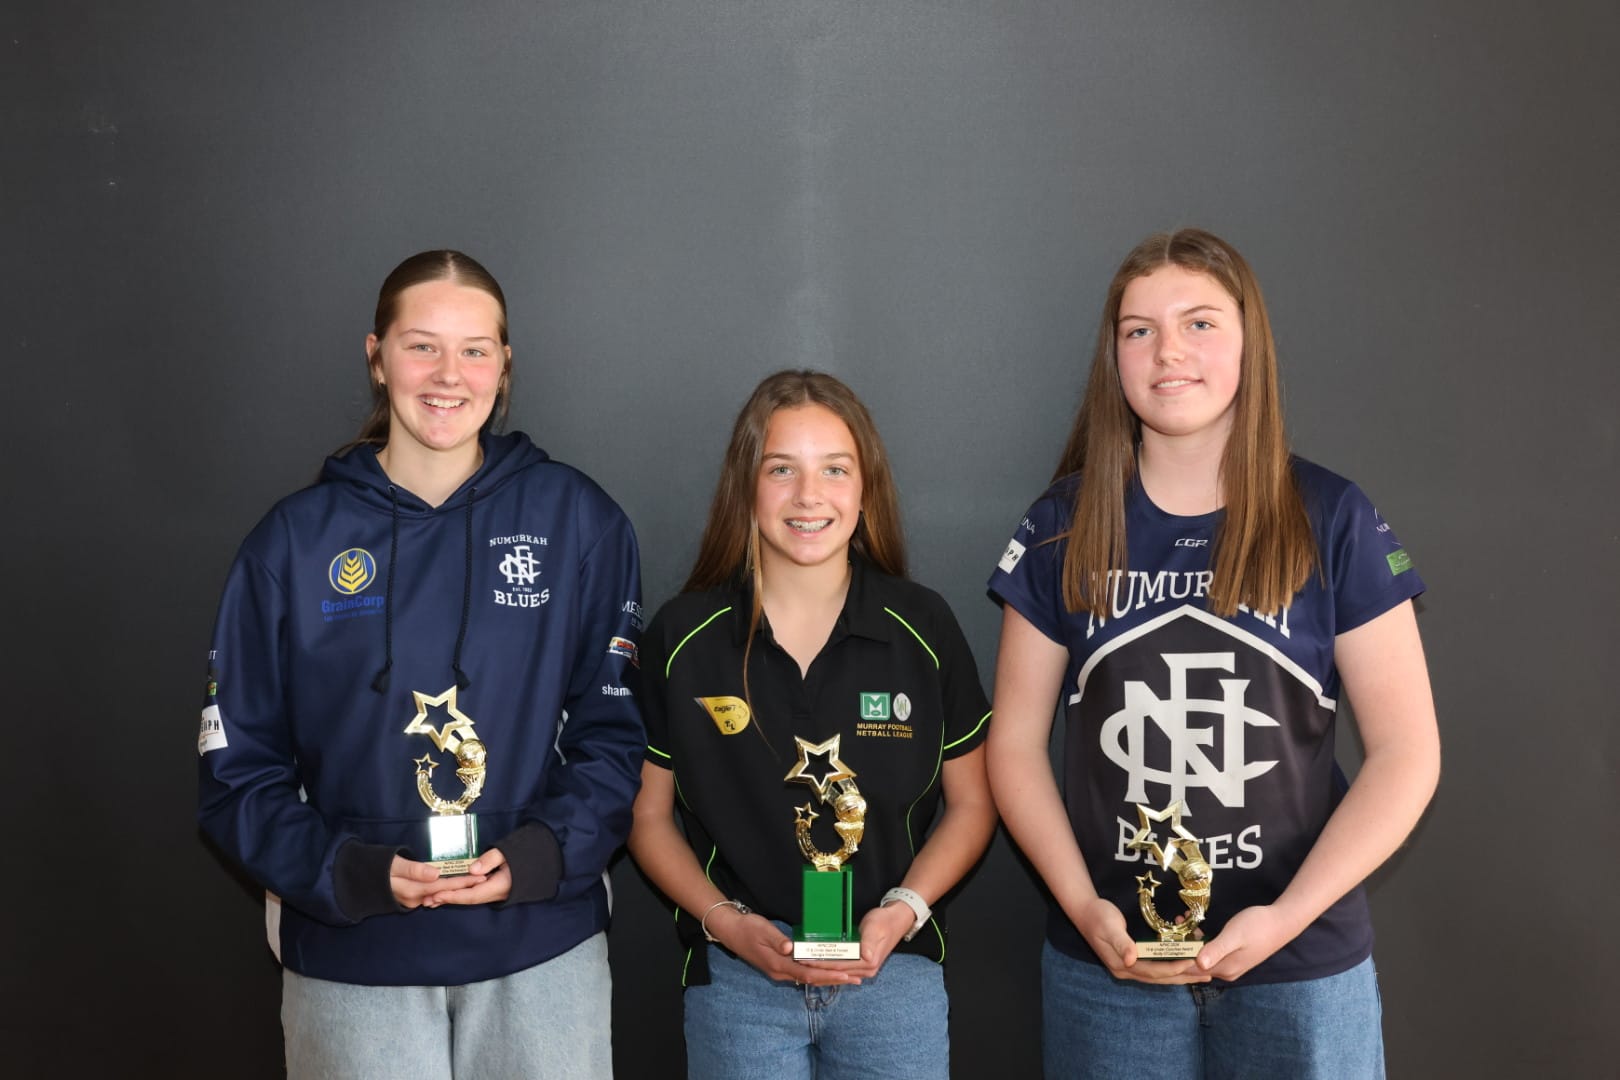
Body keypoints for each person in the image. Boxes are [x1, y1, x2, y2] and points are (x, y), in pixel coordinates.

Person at [986, 229, 1440, 1079]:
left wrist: (1288, 917)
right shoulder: (1061, 524)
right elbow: (1011, 746)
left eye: (1199, 323)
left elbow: (1408, 754)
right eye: (1138, 330)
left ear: (1249, 341)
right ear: (1113, 354)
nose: (1168, 353)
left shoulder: (1331, 517)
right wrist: (1084, 908)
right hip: (1109, 968)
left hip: (1299, 965)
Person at [197, 250, 643, 1079]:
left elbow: (615, 739)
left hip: (539, 945)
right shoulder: (291, 544)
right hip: (352, 954)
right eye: (421, 345)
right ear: (376, 356)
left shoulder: (580, 522)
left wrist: (544, 854)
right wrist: (347, 873)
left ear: (505, 366)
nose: (449, 375)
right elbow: (236, 775)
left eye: (476, 349)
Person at [628, 370, 996, 1080]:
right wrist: (726, 923)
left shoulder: (922, 626)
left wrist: (903, 911)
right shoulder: (684, 635)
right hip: (739, 982)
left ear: (866, 486)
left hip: (892, 971)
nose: (809, 496)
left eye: (834, 469)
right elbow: (647, 818)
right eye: (781, 470)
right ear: (747, 485)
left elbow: (973, 803)